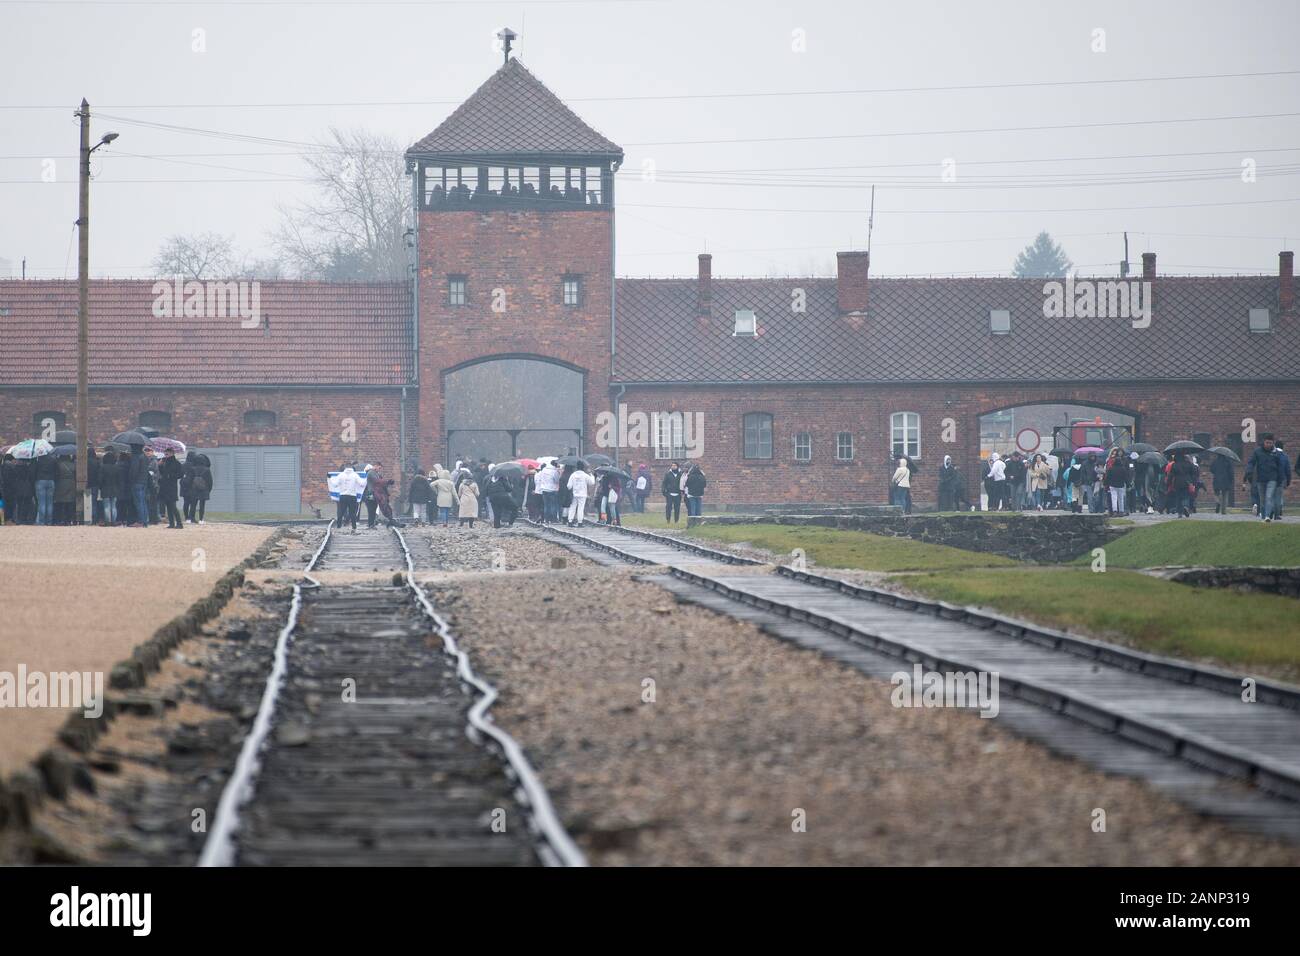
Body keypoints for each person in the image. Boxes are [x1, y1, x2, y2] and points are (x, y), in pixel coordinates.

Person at [1245, 433, 1285, 522]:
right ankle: (1263, 517)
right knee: (1262, 499)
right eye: (1267, 442)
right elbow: (1251, 462)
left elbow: (1280, 466)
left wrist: (1280, 479)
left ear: (1273, 443)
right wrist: (1249, 471)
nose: (1268, 445)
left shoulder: (1276, 453)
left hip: (1272, 478)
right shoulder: (1257, 452)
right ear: (1264, 442)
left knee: (1269, 497)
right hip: (1261, 478)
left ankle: (1267, 516)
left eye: (1270, 443)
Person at [158, 448, 185, 529]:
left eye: (167, 454)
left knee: (173, 506)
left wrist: (171, 476)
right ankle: (172, 523)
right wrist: (160, 466)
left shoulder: (176, 463)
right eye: (165, 454)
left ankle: (179, 523)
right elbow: (162, 473)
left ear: (171, 453)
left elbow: (180, 474)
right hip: (164, 486)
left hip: (171, 487)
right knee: (168, 506)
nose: (165, 456)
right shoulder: (164, 462)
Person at [98, 450, 124, 526]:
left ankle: (108, 521)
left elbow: (100, 479)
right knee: (113, 505)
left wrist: (100, 487)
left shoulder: (103, 467)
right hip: (115, 489)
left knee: (106, 506)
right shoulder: (117, 468)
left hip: (105, 488)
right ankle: (113, 521)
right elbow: (120, 480)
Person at [336, 463, 363, 532]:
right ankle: (354, 526)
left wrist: (330, 479)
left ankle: (339, 526)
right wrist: (366, 479)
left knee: (341, 512)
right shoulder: (355, 475)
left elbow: (335, 484)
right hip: (352, 496)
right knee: (352, 512)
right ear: (352, 468)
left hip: (343, 496)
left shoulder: (341, 475)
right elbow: (361, 484)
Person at [186, 454, 212, 524]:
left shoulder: (192, 469)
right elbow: (210, 482)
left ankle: (191, 518)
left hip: (194, 489)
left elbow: (190, 480)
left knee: (193, 505)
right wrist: (208, 490)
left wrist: (190, 488)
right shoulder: (207, 470)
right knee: (202, 505)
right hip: (204, 490)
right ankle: (201, 519)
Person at [1103, 448, 1130, 516]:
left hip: (1112, 485)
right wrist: (1128, 484)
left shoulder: (1111, 469)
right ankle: (1121, 511)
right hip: (1121, 485)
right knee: (1121, 498)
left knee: (1114, 498)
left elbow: (1107, 477)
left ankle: (1114, 511)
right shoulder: (1123, 469)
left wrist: (1105, 484)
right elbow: (1126, 478)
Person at [34, 450, 58, 525]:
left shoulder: (39, 460)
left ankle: (42, 521)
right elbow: (57, 471)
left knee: (42, 503)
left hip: (40, 481)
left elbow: (34, 471)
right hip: (51, 481)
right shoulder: (53, 460)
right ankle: (49, 521)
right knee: (50, 503)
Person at [53, 452, 76, 524]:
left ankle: (59, 519)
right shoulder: (73, 465)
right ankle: (68, 519)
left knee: (60, 503)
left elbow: (55, 474)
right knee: (69, 503)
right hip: (71, 484)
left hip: (60, 484)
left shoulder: (58, 465)